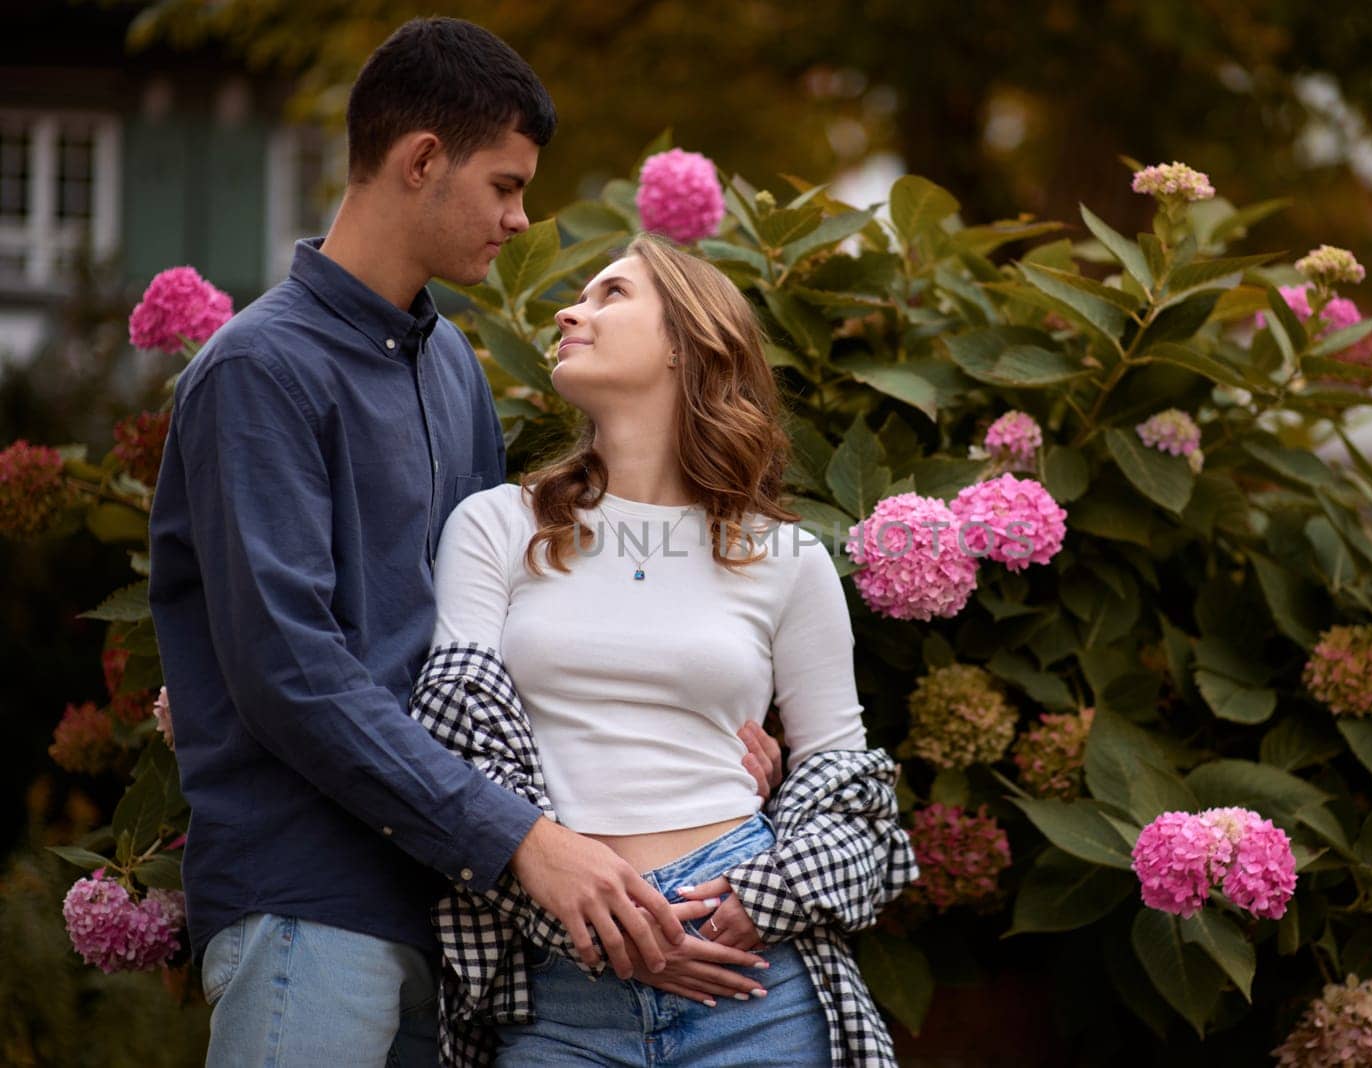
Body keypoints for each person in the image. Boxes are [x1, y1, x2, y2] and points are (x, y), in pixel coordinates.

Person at [148, 19, 776, 1067]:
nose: (521, 218)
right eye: (504, 185)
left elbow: (505, 640)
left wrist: (697, 733)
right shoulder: (257, 372)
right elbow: (290, 672)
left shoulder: (452, 375)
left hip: (454, 922)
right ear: (421, 160)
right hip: (309, 903)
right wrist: (522, 841)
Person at [412, 234, 917, 1067]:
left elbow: (849, 793)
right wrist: (588, 918)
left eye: (612, 293)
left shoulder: (787, 559)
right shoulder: (497, 524)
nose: (572, 310)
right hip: (560, 985)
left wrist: (769, 896)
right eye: (579, 296)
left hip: (750, 968)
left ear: (687, 342)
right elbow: (457, 749)